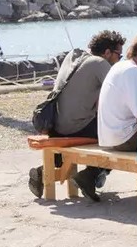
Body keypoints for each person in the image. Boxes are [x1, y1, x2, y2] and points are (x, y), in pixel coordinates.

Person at [27, 30, 125, 200]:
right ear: (108, 52)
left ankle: (44, 172)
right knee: (121, 134)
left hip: (54, 126)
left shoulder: (74, 56)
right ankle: (91, 175)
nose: (119, 59)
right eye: (119, 55)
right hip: (76, 128)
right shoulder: (101, 63)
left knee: (75, 137)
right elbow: (117, 95)